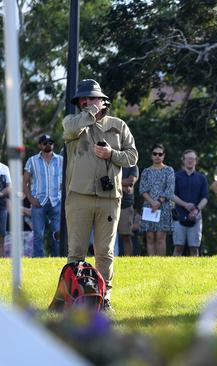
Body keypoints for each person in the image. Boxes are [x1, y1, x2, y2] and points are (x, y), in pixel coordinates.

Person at [63, 79, 138, 310]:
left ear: (104, 100)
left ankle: (104, 297)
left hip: (109, 198)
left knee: (104, 251)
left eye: (92, 98)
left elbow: (132, 156)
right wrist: (90, 113)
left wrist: (111, 154)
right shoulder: (73, 122)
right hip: (79, 195)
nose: (87, 102)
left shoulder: (119, 125)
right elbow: (70, 129)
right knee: (76, 251)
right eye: (83, 99)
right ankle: (74, 298)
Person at [23, 134, 63, 257]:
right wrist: (30, 198)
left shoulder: (61, 160)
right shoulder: (32, 160)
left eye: (50, 142)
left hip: (56, 202)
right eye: (45, 143)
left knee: (57, 234)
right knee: (38, 235)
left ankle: (58, 259)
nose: (48, 145)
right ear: (40, 145)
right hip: (38, 202)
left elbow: (68, 180)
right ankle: (38, 259)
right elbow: (25, 182)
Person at [139, 144, 175, 256]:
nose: (157, 156)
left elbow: (169, 189)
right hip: (149, 207)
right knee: (150, 237)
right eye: (155, 154)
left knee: (160, 237)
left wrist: (158, 202)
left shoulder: (169, 170)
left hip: (163, 207)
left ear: (163, 156)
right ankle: (151, 262)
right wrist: (152, 202)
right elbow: (142, 190)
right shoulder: (146, 171)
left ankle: (160, 263)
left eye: (160, 154)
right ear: (151, 156)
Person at [172, 149, 209, 256]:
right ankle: (172, 270)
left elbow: (205, 198)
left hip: (196, 217)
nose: (190, 161)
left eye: (192, 159)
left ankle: (195, 271)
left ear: (196, 161)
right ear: (183, 160)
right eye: (188, 158)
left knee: (194, 248)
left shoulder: (202, 178)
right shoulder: (176, 176)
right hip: (179, 215)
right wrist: (185, 204)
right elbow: (171, 195)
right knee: (178, 247)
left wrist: (196, 210)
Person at [117, 163, 139, 256]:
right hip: (109, 204)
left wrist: (114, 183)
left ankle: (127, 259)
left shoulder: (132, 165)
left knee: (126, 236)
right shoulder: (110, 162)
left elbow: (131, 181)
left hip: (125, 206)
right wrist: (122, 187)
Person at [0, 162, 11, 257]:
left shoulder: (4, 168)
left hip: (1, 204)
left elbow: (9, 187)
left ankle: (1, 258)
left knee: (2, 234)